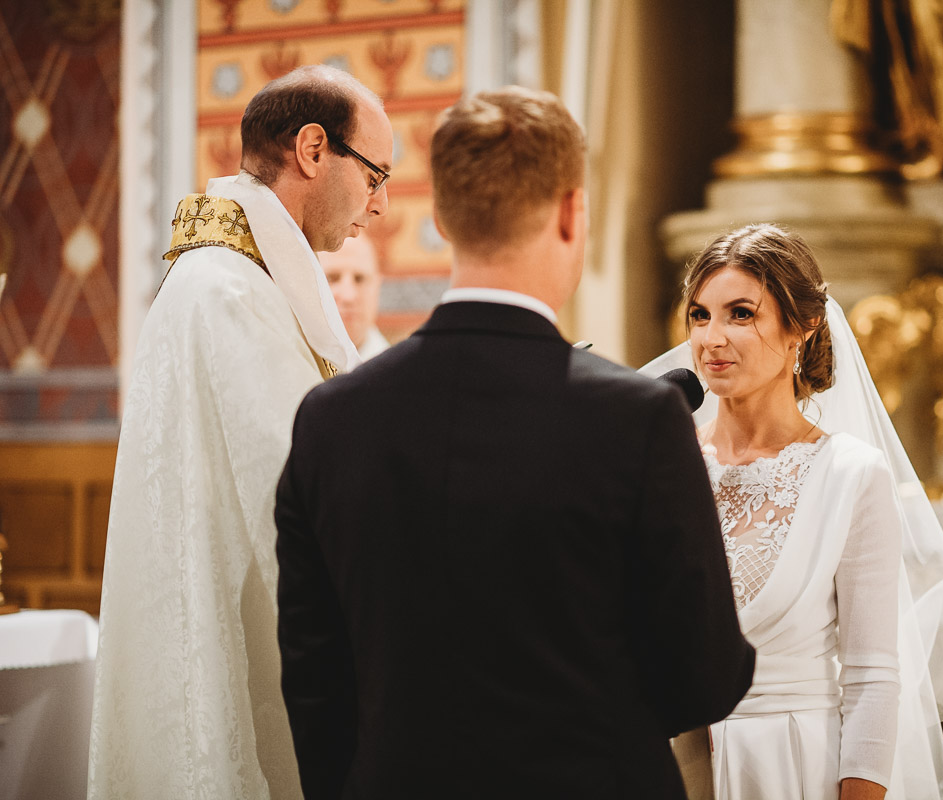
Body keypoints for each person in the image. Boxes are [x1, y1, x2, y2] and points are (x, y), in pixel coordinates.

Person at [274, 85, 756, 800]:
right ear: (571, 213)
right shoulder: (637, 419)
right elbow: (706, 676)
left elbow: (312, 679)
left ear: (441, 218)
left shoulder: (331, 418)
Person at [88, 65, 392, 800]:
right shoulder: (229, 290)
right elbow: (296, 493)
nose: (380, 205)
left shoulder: (237, 279)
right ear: (313, 149)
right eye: (376, 174)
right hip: (232, 632)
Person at [642, 224, 943, 800]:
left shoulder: (850, 475)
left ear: (803, 327)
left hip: (792, 767)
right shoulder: (659, 463)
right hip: (671, 766)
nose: (712, 337)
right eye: (699, 315)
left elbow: (872, 678)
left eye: (741, 314)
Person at [319, 234, 390, 359]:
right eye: (332, 278)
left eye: (359, 279)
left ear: (377, 286)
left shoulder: (402, 374)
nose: (348, 296)